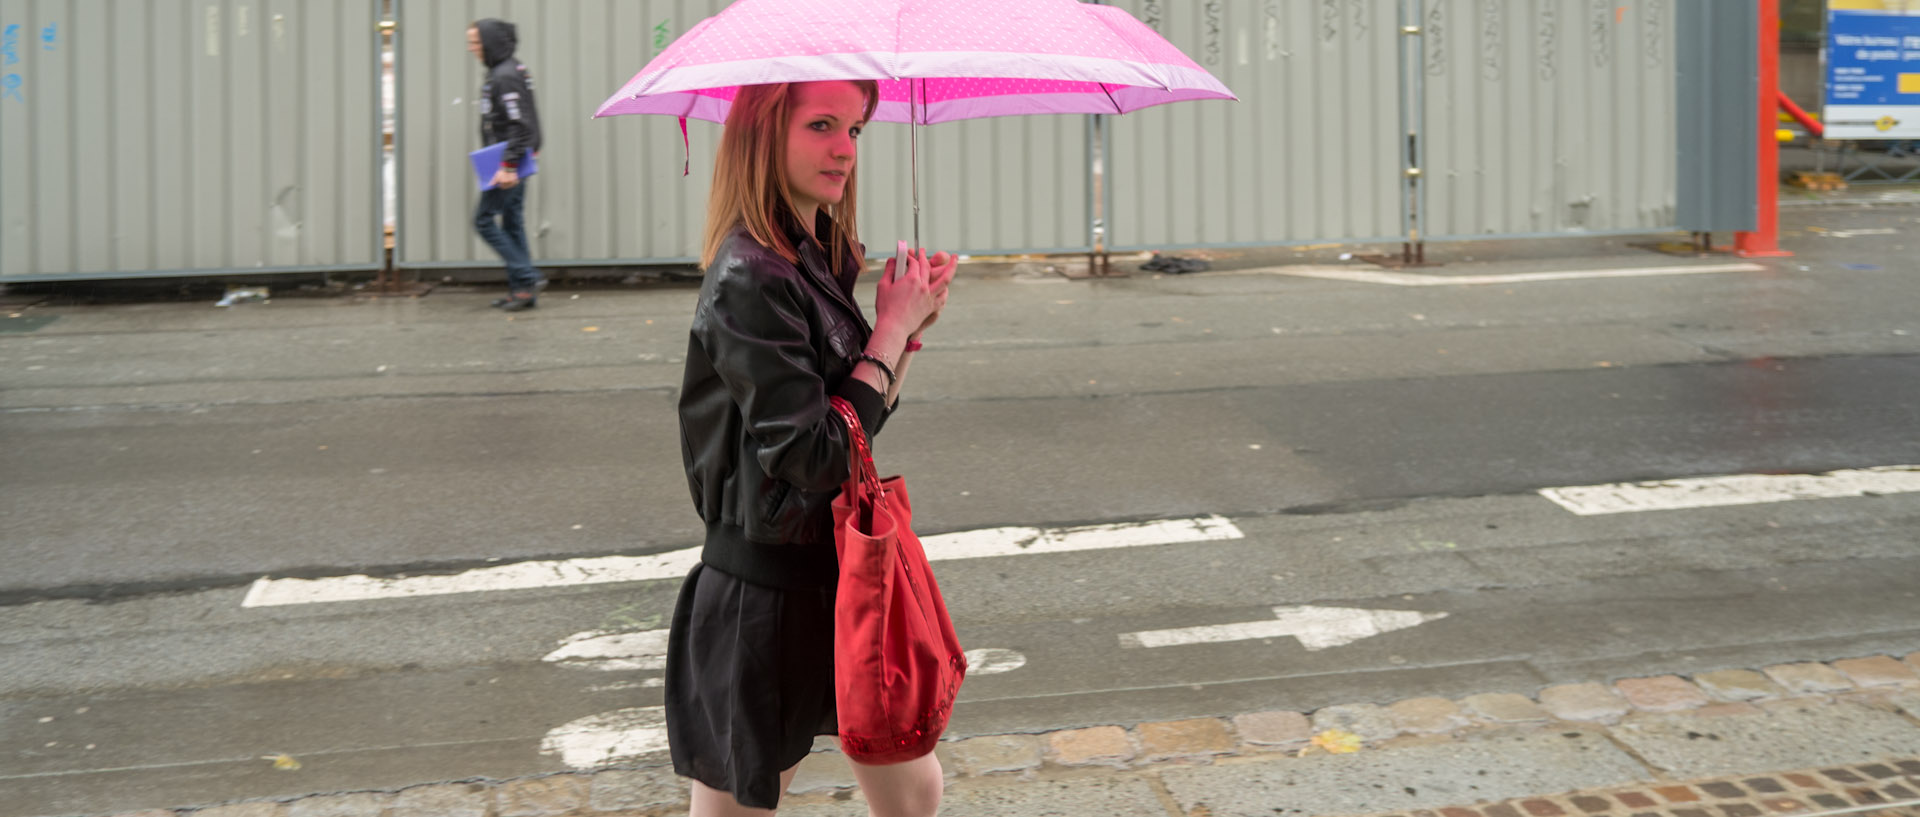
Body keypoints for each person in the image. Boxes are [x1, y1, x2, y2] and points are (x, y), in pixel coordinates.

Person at [666, 80, 957, 817]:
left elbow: (857, 416)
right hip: (764, 590)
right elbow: (812, 451)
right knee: (738, 805)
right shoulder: (749, 275)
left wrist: (908, 323)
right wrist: (888, 333)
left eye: (855, 129)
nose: (844, 149)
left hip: (837, 572)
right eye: (821, 124)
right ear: (765, 133)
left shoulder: (811, 255)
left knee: (912, 785)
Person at [466, 18, 544, 311]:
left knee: (483, 220)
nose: (472, 48)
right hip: (508, 159)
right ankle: (523, 291)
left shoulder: (505, 76)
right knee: (511, 222)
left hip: (507, 163)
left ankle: (527, 276)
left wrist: (508, 165)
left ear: (490, 43)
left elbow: (520, 125)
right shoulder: (505, 71)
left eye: (475, 42)